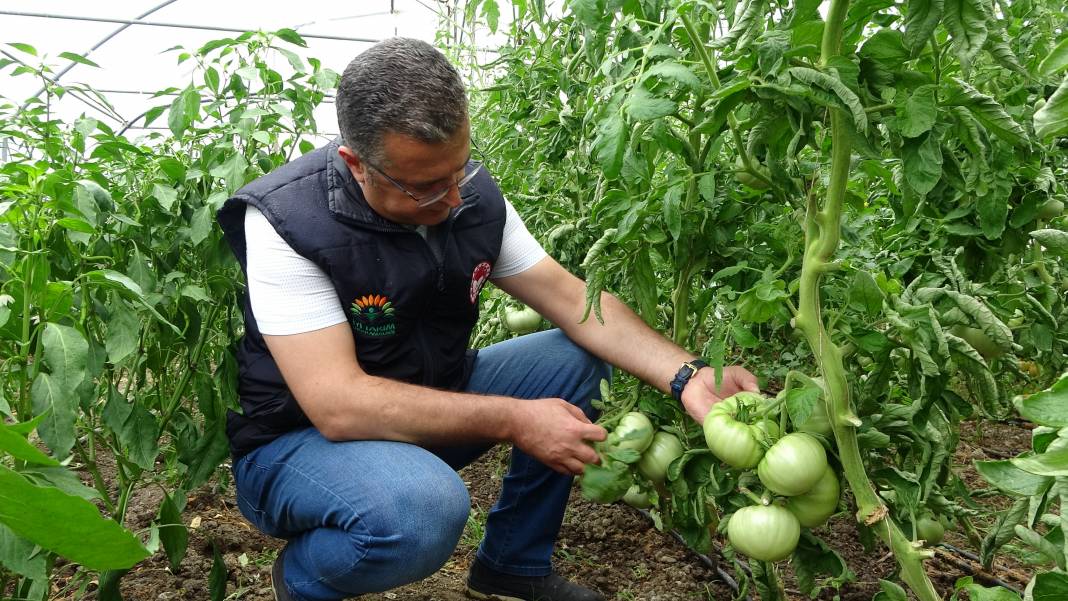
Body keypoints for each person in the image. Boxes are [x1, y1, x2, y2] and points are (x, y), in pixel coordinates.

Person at [216, 37, 759, 601]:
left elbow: (575, 301)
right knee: (423, 510)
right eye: (426, 186)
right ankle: (303, 580)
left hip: (425, 401)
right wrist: (515, 418)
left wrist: (688, 374)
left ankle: (512, 568)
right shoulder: (288, 223)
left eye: (460, 169)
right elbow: (339, 405)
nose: (455, 199)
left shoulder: (464, 194)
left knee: (572, 360)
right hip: (297, 449)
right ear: (357, 165)